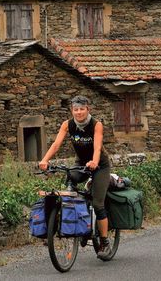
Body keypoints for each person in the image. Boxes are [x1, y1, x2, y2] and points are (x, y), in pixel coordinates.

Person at [38, 95, 112, 255]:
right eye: (75, 109)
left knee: (98, 204)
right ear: (72, 110)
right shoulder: (67, 125)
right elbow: (56, 144)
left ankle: (105, 242)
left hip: (100, 165)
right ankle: (61, 227)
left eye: (82, 109)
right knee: (68, 190)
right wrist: (44, 160)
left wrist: (94, 162)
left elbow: (97, 147)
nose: (79, 112)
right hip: (81, 163)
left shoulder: (96, 125)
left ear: (88, 109)